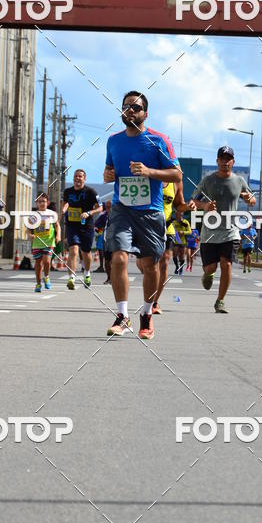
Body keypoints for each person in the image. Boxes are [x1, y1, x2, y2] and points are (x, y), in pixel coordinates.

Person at [104, 91, 182, 339]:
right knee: (118, 259)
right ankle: (122, 315)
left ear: (145, 114)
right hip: (122, 208)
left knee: (150, 265)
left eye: (135, 108)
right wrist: (108, 175)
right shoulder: (113, 141)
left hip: (150, 212)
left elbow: (177, 175)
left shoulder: (158, 141)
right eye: (126, 107)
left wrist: (149, 171)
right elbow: (109, 170)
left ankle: (146, 314)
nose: (130, 111)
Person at [180, 144, 256, 314]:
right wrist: (204, 205)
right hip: (210, 232)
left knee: (227, 263)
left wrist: (249, 198)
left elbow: (251, 198)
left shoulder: (239, 181)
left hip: (230, 230)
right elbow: (193, 201)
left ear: (233, 162)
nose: (225, 162)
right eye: (222, 159)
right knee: (211, 268)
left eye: (228, 159)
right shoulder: (208, 180)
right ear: (217, 161)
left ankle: (220, 301)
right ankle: (207, 274)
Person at [61, 169, 102, 290]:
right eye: (75, 176)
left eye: (80, 176)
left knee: (86, 252)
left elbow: (100, 208)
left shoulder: (91, 192)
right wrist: (63, 210)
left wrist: (89, 213)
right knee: (73, 250)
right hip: (72, 225)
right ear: (73, 178)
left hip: (86, 226)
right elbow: (66, 203)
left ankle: (87, 273)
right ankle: (71, 278)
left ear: (84, 179)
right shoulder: (68, 191)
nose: (78, 178)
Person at [152, 179, 184, 314]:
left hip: (167, 228)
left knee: (164, 262)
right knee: (146, 265)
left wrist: (188, 206)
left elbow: (179, 205)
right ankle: (151, 284)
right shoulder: (150, 178)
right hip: (148, 226)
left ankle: (155, 302)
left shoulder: (175, 182)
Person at [30, 192, 60, 292]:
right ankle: (38, 283)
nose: (41, 203)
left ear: (47, 203)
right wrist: (30, 234)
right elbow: (28, 228)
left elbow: (57, 226)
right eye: (39, 202)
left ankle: (46, 277)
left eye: (43, 201)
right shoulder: (34, 215)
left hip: (49, 242)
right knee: (38, 264)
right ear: (36, 203)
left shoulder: (51, 214)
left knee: (47, 262)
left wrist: (58, 235)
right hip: (37, 243)